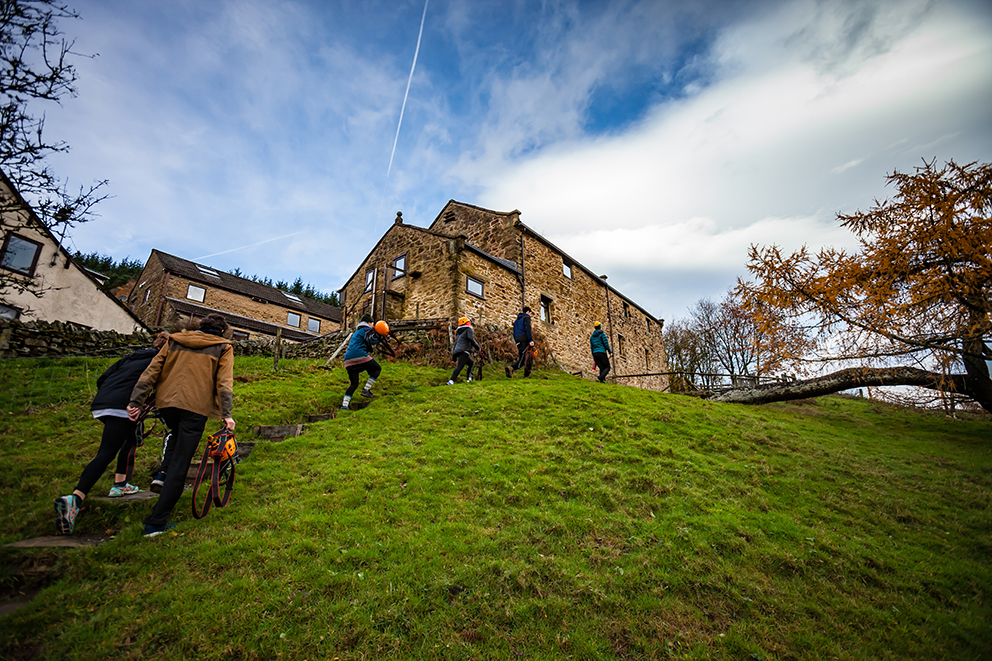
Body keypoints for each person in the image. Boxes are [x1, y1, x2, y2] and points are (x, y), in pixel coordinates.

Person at [126, 313, 236, 537]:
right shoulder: (223, 347)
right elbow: (224, 382)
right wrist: (227, 414)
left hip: (167, 403)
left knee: (175, 434)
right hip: (195, 408)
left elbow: (152, 370)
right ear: (222, 331)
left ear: (200, 326)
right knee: (182, 463)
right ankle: (156, 522)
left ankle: (161, 473)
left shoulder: (174, 340)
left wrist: (136, 401)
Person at [53, 333, 170, 535]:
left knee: (131, 438)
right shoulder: (160, 360)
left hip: (103, 402)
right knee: (106, 452)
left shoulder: (132, 356)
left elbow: (102, 378)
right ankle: (75, 498)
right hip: (124, 406)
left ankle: (120, 483)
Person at [340, 313, 383, 410]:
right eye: (372, 323)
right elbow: (371, 340)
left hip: (348, 360)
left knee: (354, 384)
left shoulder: (357, 332)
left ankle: (344, 406)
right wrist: (379, 335)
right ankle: (366, 390)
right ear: (369, 322)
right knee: (377, 369)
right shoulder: (367, 329)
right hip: (359, 355)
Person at [447, 317, 481, 385]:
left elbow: (456, 344)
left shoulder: (459, 332)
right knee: (459, 367)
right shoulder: (469, 329)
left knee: (471, 363)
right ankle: (451, 381)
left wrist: (454, 358)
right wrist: (478, 347)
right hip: (464, 350)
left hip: (458, 351)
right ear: (467, 323)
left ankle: (469, 378)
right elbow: (471, 339)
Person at [505, 306, 534, 378]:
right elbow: (528, 329)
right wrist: (530, 339)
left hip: (518, 340)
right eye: (530, 313)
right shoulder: (526, 318)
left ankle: (512, 368)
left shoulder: (516, 321)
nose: (530, 314)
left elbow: (514, 332)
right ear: (527, 311)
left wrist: (516, 340)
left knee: (522, 357)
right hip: (525, 339)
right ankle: (522, 373)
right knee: (528, 357)